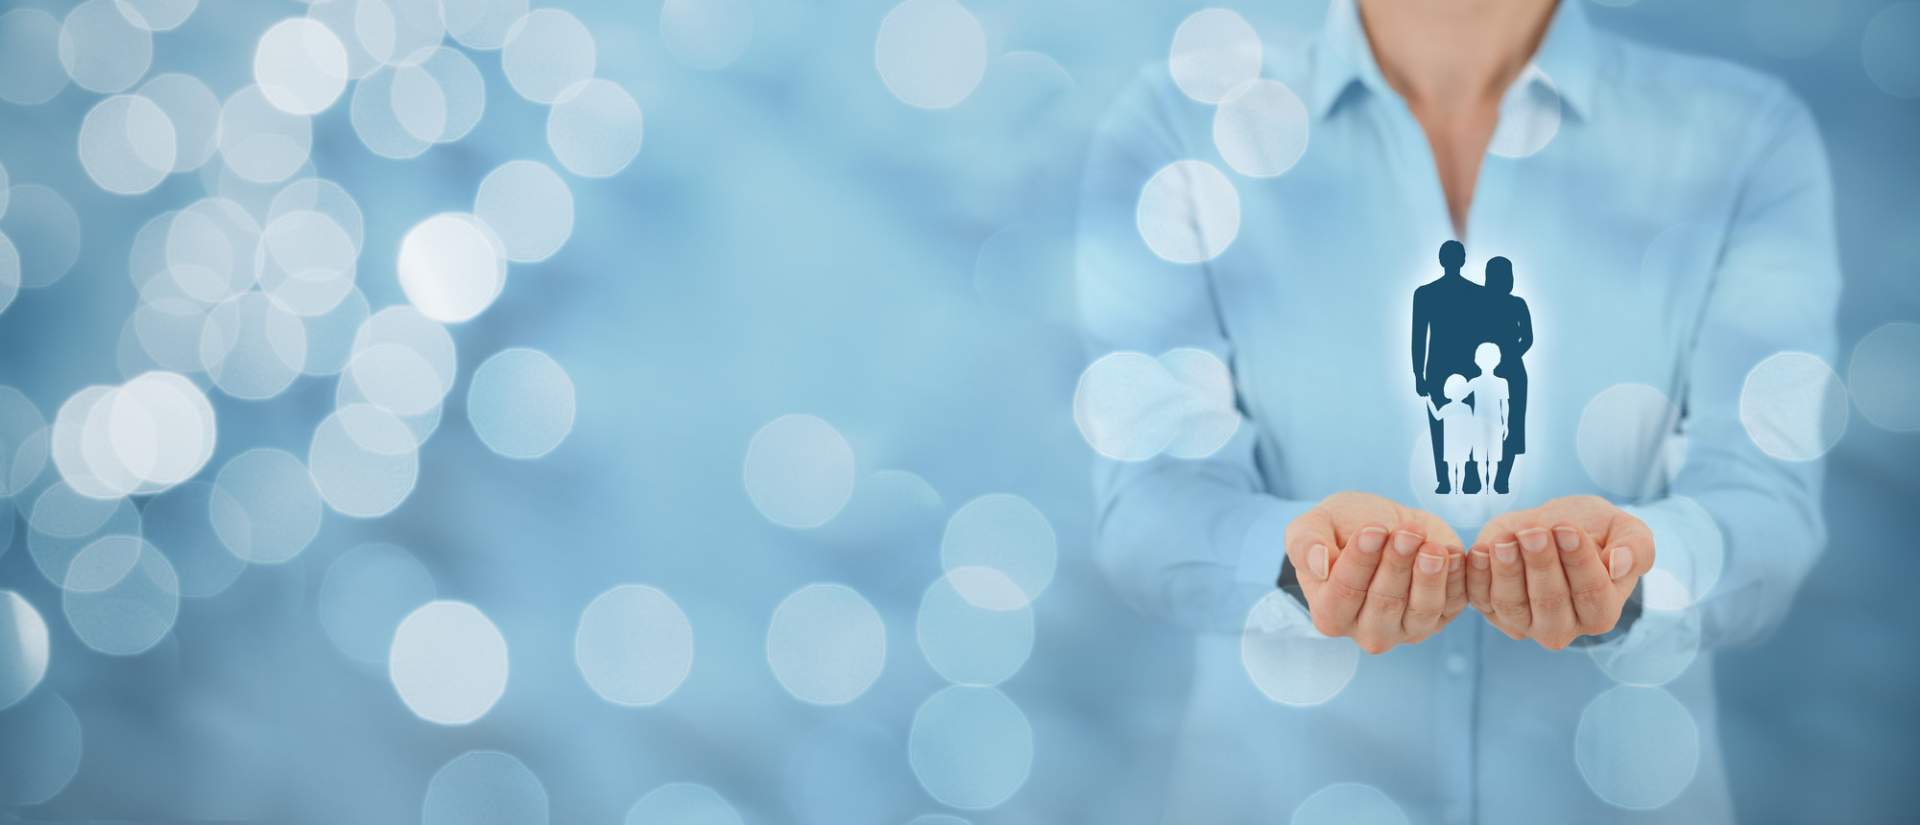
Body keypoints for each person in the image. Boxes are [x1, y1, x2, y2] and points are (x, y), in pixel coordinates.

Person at [1074, 0, 1837, 820]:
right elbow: (1149, 501)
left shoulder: (1741, 136)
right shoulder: (1182, 127)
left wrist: (1641, 573)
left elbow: (1767, 505)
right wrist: (1297, 566)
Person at [1411, 240, 1489, 493]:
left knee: (1443, 424)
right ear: (1461, 260)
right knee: (1464, 423)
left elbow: (1418, 338)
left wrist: (1418, 375)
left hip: (1445, 366)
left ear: (1443, 260)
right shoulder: (1476, 293)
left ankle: (1449, 477)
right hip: (1464, 366)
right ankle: (1463, 475)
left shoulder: (1427, 294)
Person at [1481, 256, 1532, 493]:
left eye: (1507, 276)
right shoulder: (1477, 303)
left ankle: (1503, 477)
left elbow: (1528, 338)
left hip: (1513, 371)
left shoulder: (1518, 304)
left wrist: (1509, 356)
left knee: (1512, 428)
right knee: (1480, 425)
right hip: (1482, 372)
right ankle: (1478, 477)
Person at [1467, 342, 1511, 495]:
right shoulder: (1474, 382)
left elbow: (1504, 405)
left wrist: (1506, 424)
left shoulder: (1502, 383)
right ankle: (1485, 487)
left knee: (1492, 458)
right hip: (1479, 425)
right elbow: (1460, 395)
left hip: (1494, 425)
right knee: (1482, 458)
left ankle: (1489, 486)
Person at [1428, 374, 1475, 494]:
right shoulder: (1466, 408)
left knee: (1453, 467)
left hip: (1455, 443)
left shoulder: (1449, 407)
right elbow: (1470, 427)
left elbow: (1437, 416)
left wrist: (1430, 402)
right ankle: (1457, 490)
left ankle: (1456, 489)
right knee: (1459, 467)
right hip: (1457, 443)